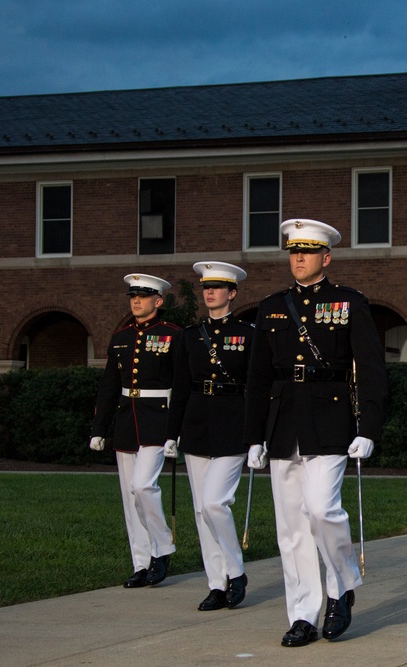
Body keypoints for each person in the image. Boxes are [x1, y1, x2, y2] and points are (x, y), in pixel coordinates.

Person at [243, 218, 387, 648]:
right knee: (291, 529)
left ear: (326, 257)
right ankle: (302, 614)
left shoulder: (349, 303)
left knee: (322, 510)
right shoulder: (270, 307)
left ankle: (341, 587)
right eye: (293, 251)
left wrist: (369, 427)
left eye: (307, 251)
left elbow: (373, 370)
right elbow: (258, 379)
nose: (298, 258)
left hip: (331, 419)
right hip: (283, 423)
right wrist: (254, 437)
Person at [164, 261, 253, 611]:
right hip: (197, 423)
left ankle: (236, 571)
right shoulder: (189, 336)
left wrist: (256, 434)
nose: (210, 292)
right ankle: (216, 583)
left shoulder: (248, 334)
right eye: (205, 287)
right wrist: (172, 434)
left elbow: (256, 386)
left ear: (232, 293)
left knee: (215, 503)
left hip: (234, 422)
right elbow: (181, 387)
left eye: (217, 288)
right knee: (202, 510)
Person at [90, 273, 180, 588]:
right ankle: (141, 563)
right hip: (127, 420)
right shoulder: (120, 337)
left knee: (143, 487)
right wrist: (99, 428)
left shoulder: (172, 335)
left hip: (159, 420)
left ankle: (162, 549)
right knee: (130, 498)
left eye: (143, 296)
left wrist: (176, 430)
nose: (136, 301)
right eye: (133, 296)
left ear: (158, 301)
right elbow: (109, 386)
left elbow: (181, 386)